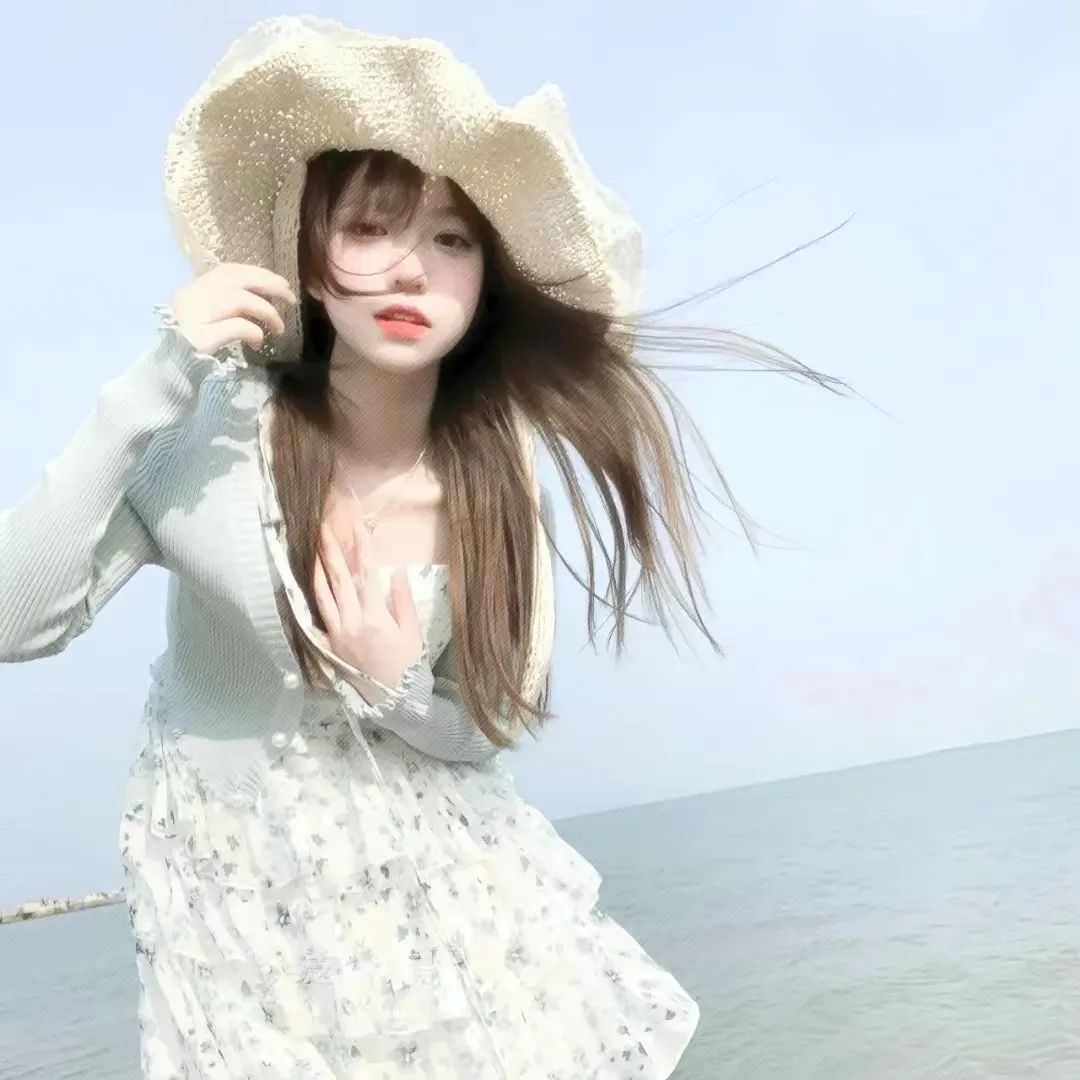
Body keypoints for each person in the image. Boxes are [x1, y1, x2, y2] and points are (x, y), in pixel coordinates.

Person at [0, 16, 843, 1079]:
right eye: (368, 229)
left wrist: (396, 687)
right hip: (242, 914)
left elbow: (491, 726)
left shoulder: (493, 473)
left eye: (450, 240)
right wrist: (155, 376)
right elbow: (15, 620)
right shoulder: (208, 431)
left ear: (484, 281)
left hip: (447, 898)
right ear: (309, 261)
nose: (409, 270)